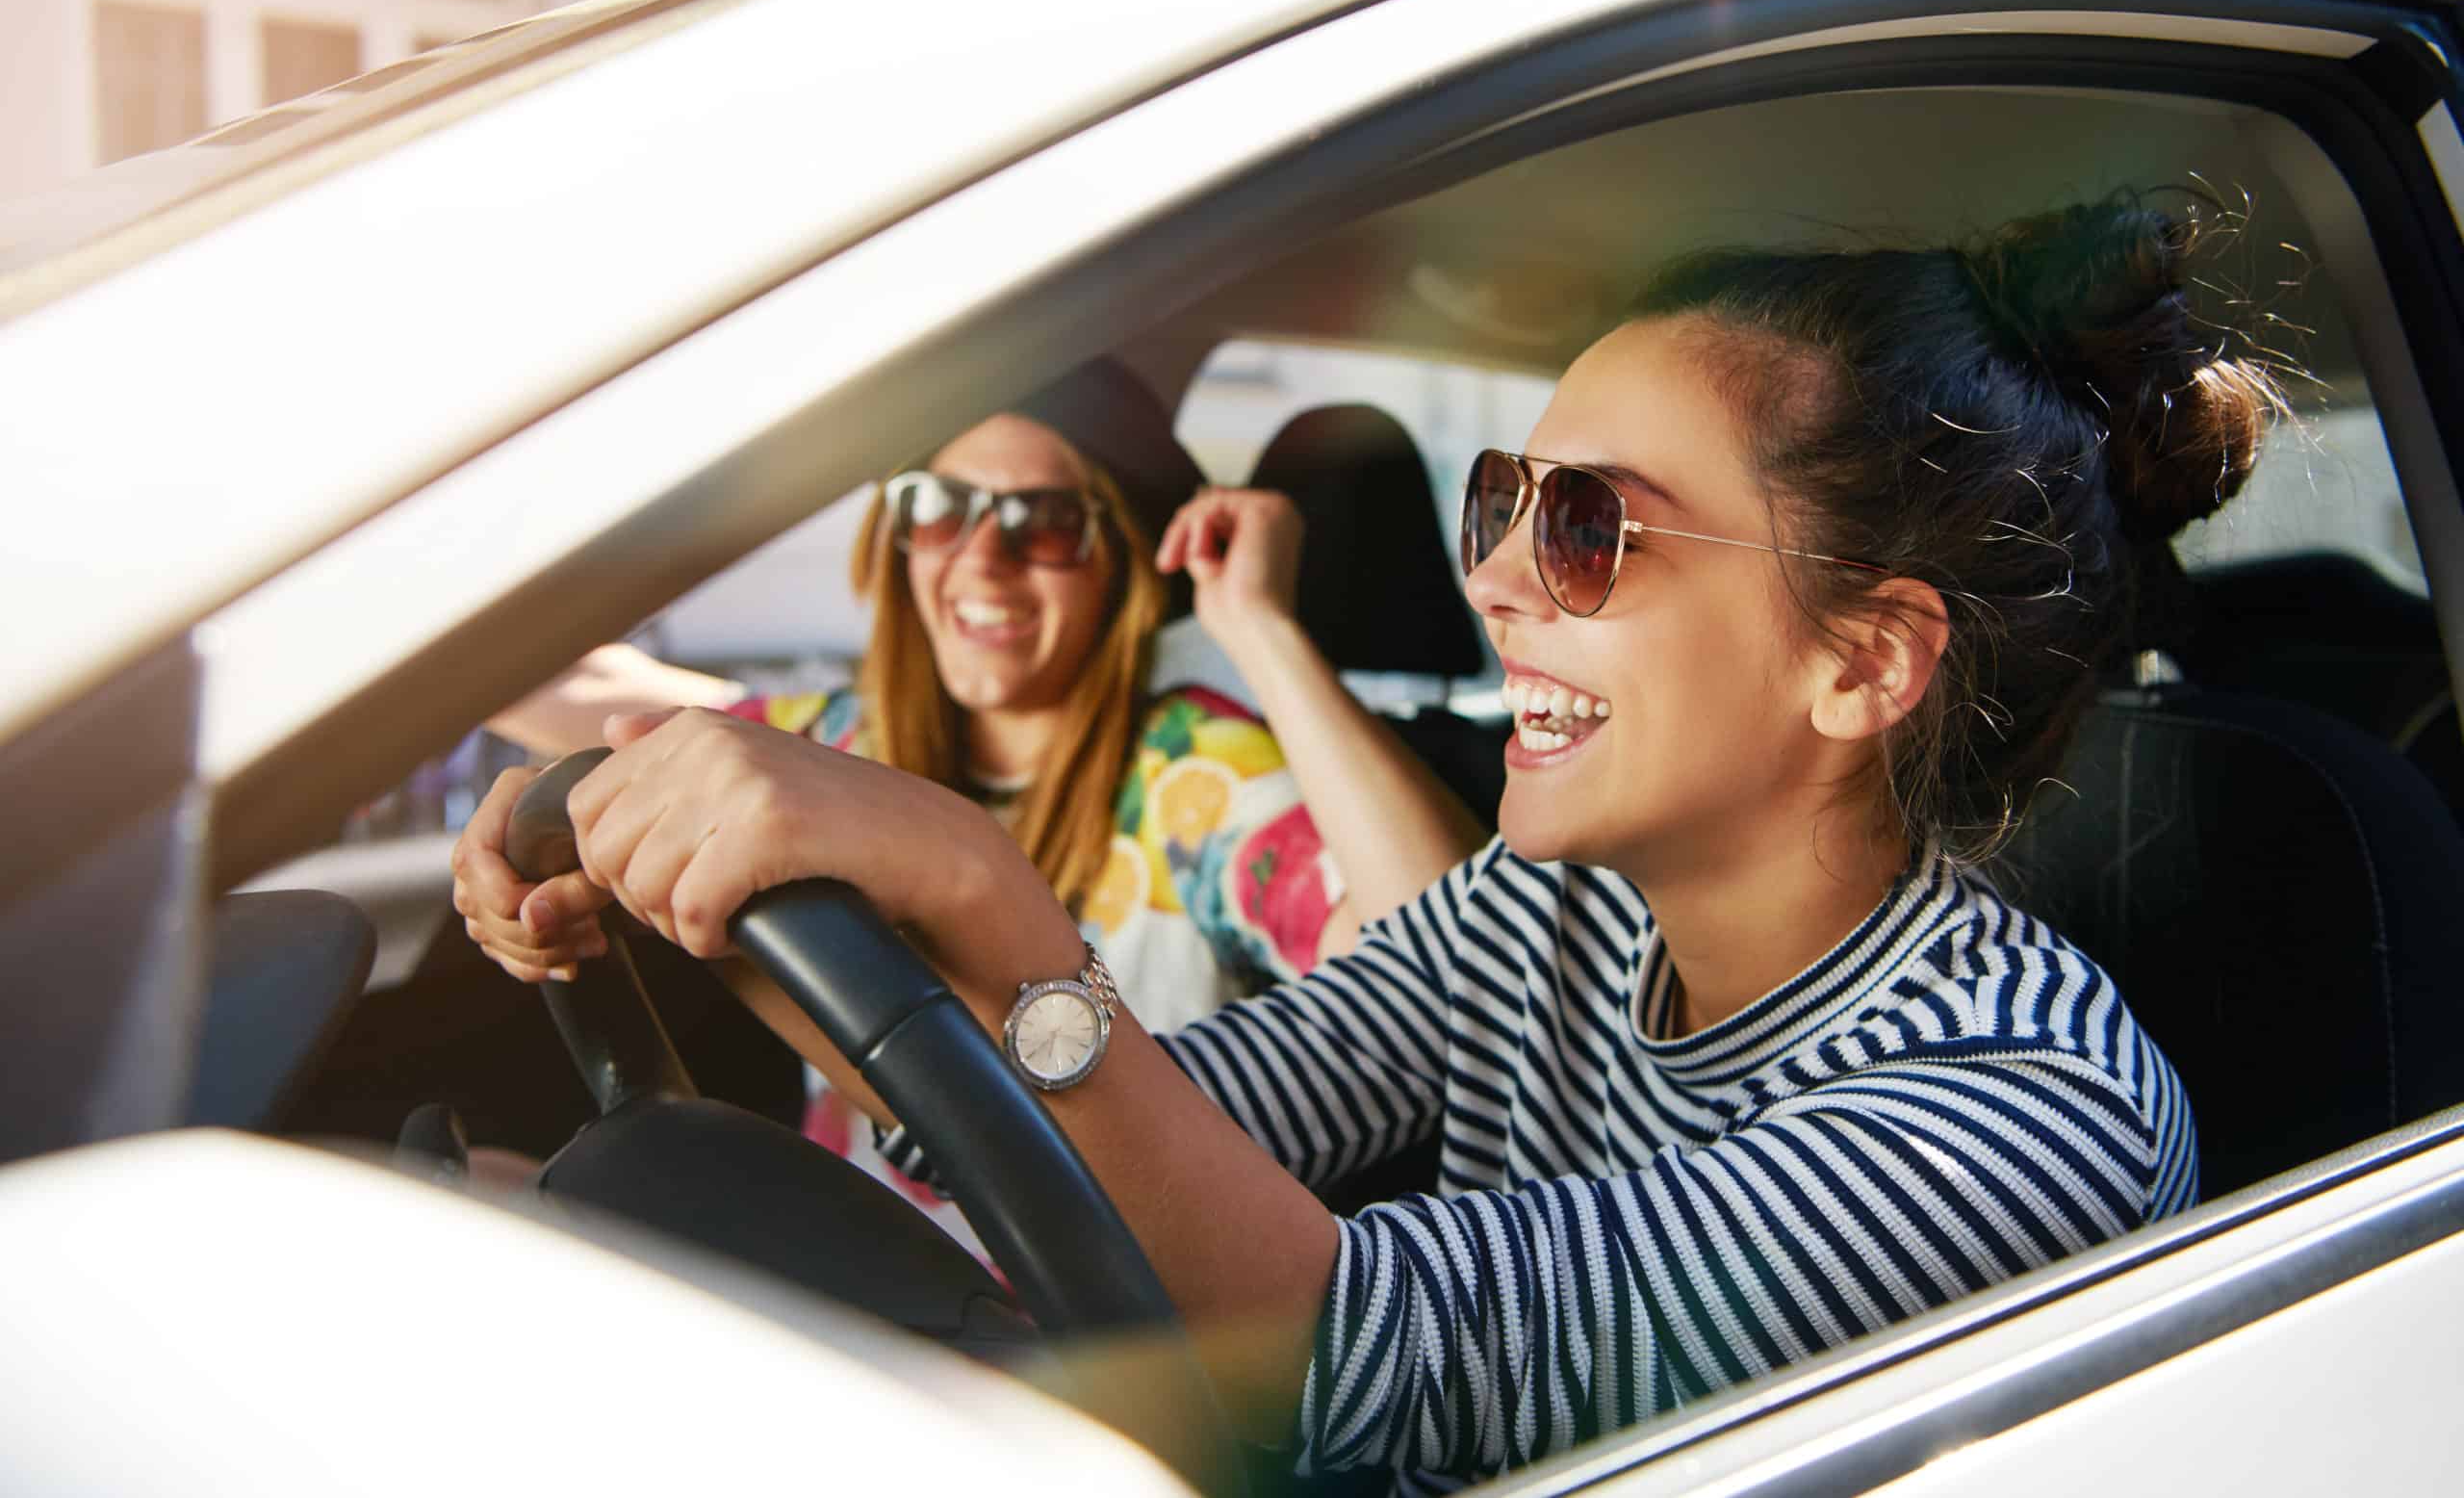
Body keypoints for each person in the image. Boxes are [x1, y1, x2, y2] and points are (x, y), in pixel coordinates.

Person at [459, 200, 2266, 1489]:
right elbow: (1122, 1122)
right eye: (1504, 502)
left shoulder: (2025, 1103)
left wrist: (981, 887)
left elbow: (1374, 1364)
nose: (1490, 575)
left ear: (1860, 657)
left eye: (1588, 529)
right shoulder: (1544, 910)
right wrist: (700, 882)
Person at [466, 358, 1487, 1247]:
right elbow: (585, 704)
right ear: (898, 539)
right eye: (938, 508)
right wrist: (523, 836)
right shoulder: (825, 747)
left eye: (1044, 524)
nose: (981, 557)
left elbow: (1461, 966)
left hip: (1092, 1303)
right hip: (867, 1260)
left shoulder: (1193, 769)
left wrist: (1260, 627)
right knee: (488, 1196)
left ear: (1121, 565)